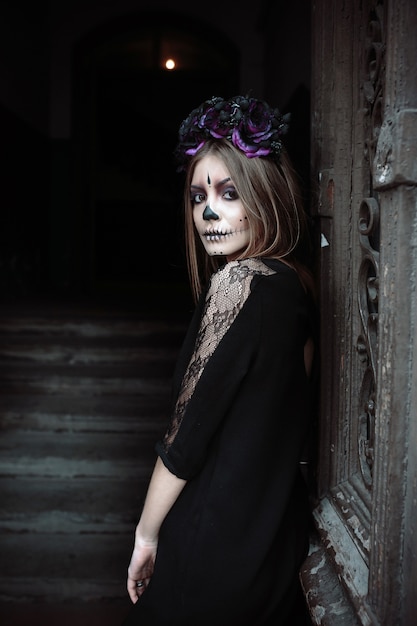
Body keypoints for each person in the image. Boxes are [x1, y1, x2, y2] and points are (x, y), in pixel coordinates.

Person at [123, 95, 317, 626]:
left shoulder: (241, 281)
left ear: (266, 197)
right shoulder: (295, 285)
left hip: (213, 547)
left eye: (229, 194)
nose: (208, 213)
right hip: (269, 541)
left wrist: (144, 535)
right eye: (197, 196)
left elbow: (186, 438)